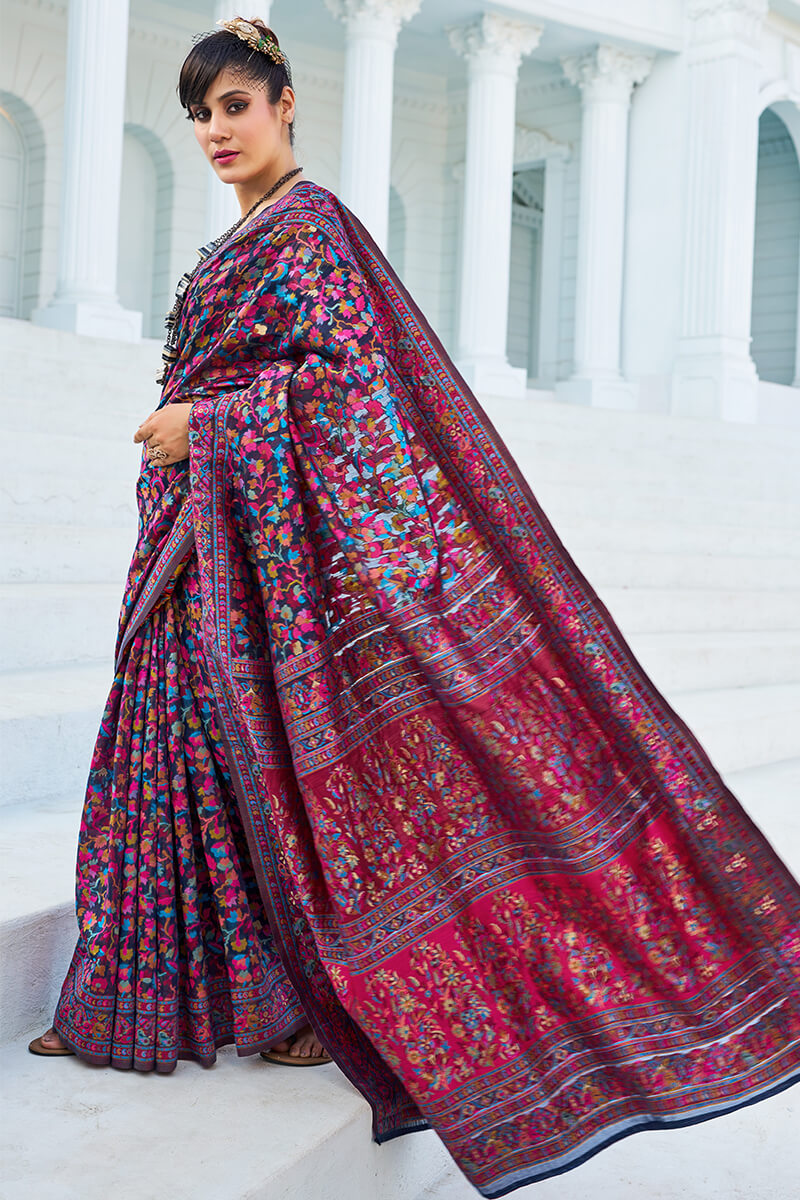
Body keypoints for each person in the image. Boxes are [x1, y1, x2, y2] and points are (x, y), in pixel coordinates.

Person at [29, 15, 800, 1198]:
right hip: (200, 542)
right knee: (171, 750)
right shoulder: (241, 235)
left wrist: (210, 425)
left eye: (234, 105)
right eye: (198, 112)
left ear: (285, 104)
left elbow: (345, 385)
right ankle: (142, 997)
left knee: (251, 770)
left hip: (248, 533)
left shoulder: (315, 228)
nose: (213, 131)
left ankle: (298, 1005)